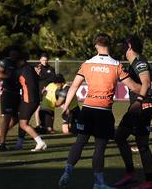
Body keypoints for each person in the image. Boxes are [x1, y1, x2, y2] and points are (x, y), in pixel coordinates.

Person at [58, 34, 142, 189]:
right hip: (103, 111)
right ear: (109, 46)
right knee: (99, 147)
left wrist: (65, 106)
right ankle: (98, 182)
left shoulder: (87, 64)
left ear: (96, 45)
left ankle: (67, 171)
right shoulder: (116, 65)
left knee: (80, 142)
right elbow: (133, 87)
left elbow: (74, 86)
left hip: (88, 109)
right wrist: (147, 90)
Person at [113, 35, 152, 189]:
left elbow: (146, 82)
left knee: (142, 145)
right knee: (120, 137)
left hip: (142, 107)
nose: (122, 48)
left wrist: (138, 101)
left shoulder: (139, 62)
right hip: (137, 108)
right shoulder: (132, 64)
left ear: (130, 46)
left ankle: (149, 181)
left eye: (123, 45)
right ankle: (130, 173)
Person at [0, 47, 22, 151]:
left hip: (17, 94)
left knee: (16, 119)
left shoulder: (20, 63)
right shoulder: (6, 62)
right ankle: (2, 143)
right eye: (12, 53)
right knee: (7, 119)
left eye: (15, 53)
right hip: (7, 93)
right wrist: (9, 76)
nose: (13, 55)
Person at [17, 56, 47, 151]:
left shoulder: (24, 69)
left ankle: (40, 142)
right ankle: (19, 143)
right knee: (22, 121)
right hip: (32, 99)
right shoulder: (29, 68)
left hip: (29, 100)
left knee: (23, 124)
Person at [34, 52, 56, 129]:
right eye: (43, 60)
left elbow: (53, 80)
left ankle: (50, 126)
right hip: (38, 90)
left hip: (48, 92)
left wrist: (47, 88)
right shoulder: (37, 68)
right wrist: (36, 73)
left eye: (46, 60)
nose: (44, 61)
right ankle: (38, 125)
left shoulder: (51, 69)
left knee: (50, 108)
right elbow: (33, 79)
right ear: (40, 60)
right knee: (37, 108)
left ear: (48, 60)